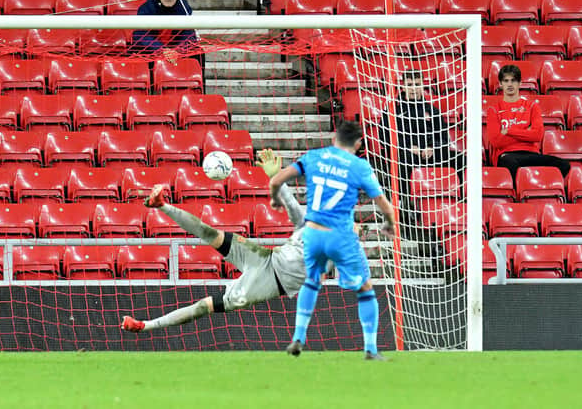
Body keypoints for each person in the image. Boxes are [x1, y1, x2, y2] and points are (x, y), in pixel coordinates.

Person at [121, 149, 333, 334]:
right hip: (265, 258)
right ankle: (162, 205)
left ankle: (143, 325)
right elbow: (291, 205)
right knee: (210, 233)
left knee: (205, 306)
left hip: (267, 284)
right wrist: (275, 175)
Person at [269, 121, 396, 361]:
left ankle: (298, 337)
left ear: (334, 138)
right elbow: (381, 200)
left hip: (313, 233)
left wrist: (276, 200)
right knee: (365, 288)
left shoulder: (314, 156)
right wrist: (389, 221)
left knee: (312, 280)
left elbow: (275, 181)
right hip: (341, 235)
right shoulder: (359, 166)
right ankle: (370, 349)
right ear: (358, 143)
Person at [379, 69, 464, 197]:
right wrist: (409, 147)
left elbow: (443, 136)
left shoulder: (432, 110)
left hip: (430, 154)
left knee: (461, 159)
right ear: (403, 86)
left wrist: (431, 147)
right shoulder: (393, 110)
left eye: (417, 84)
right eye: (409, 85)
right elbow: (385, 136)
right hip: (407, 154)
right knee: (402, 159)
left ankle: (461, 198)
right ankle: (405, 204)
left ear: (423, 85)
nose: (414, 88)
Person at [486, 64, 570, 180]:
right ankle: (519, 196)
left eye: (513, 81)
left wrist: (508, 131)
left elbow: (537, 135)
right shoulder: (494, 110)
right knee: (510, 163)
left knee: (564, 164)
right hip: (508, 155)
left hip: (531, 154)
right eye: (506, 81)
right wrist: (526, 132)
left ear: (520, 83)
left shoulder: (532, 107)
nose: (510, 84)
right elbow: (496, 141)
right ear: (501, 84)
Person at [131, 0, 206, 73]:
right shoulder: (147, 8)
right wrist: (162, 50)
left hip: (176, 50)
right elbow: (140, 35)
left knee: (198, 52)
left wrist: (178, 50)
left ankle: (196, 83)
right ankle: (150, 82)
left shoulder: (184, 8)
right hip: (153, 49)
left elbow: (188, 34)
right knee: (138, 52)